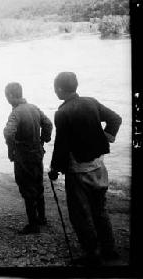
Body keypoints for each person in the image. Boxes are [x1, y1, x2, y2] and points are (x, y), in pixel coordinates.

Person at [48, 72, 122, 266]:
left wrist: (54, 168)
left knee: (81, 215)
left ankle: (92, 254)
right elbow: (116, 119)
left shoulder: (62, 113)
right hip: (99, 167)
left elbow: (61, 145)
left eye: (55, 88)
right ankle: (110, 249)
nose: (55, 91)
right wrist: (105, 137)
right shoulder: (91, 102)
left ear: (61, 90)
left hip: (78, 172)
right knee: (100, 210)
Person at [3, 82, 53, 234]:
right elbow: (48, 124)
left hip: (24, 156)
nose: (6, 99)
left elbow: (8, 132)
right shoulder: (34, 108)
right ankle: (42, 218)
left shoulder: (16, 112)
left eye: (7, 96)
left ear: (11, 96)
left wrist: (11, 149)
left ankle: (33, 225)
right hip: (37, 154)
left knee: (26, 187)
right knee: (38, 184)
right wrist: (43, 140)